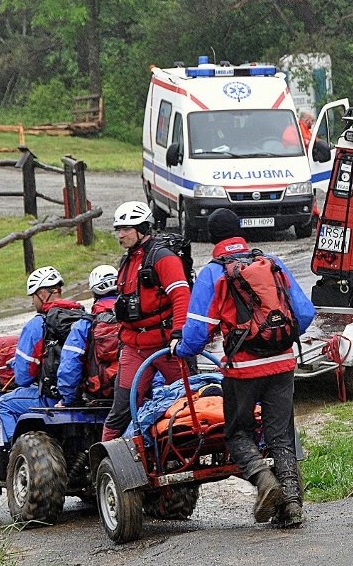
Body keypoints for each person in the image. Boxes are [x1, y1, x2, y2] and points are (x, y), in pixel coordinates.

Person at [172, 208, 316, 528]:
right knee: (280, 436)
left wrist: (179, 348)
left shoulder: (213, 273)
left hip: (243, 370)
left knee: (237, 432)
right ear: (240, 232)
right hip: (282, 364)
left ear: (212, 238)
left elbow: (196, 336)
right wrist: (278, 342)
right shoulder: (271, 262)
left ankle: (265, 481)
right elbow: (305, 314)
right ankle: (292, 505)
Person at [100, 201, 192, 442]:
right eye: (118, 229)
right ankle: (106, 464)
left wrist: (179, 333)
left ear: (142, 228)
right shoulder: (128, 260)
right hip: (134, 347)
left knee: (191, 401)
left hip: (166, 347)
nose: (120, 234)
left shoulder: (163, 258)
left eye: (125, 229)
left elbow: (181, 295)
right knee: (120, 412)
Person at [0, 266, 85, 442]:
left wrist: (16, 364)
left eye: (33, 296)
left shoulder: (37, 324)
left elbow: (23, 377)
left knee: (4, 404)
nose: (32, 302)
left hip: (52, 398)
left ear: (43, 294)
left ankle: (14, 457)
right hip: (83, 396)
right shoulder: (82, 316)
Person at [54, 265, 119, 407]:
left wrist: (68, 400)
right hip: (135, 394)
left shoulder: (85, 324)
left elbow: (69, 365)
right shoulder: (135, 320)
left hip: (98, 396)